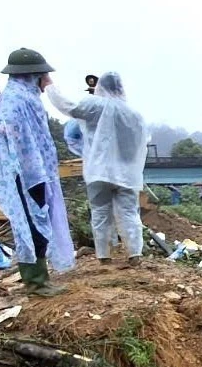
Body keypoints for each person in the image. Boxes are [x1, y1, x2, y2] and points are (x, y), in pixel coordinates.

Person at [0, 48, 74, 295]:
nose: (45, 81)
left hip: (36, 172)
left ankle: (40, 278)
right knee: (32, 225)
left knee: (40, 221)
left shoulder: (26, 97)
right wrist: (28, 166)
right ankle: (35, 282)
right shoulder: (14, 100)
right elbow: (10, 134)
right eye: (42, 75)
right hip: (25, 175)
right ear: (31, 75)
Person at [46, 71, 149, 268]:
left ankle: (104, 257)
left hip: (99, 171)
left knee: (100, 212)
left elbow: (68, 107)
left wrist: (50, 86)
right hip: (127, 174)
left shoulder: (94, 105)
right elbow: (142, 143)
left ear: (100, 86)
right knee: (129, 213)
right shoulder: (134, 114)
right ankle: (135, 254)